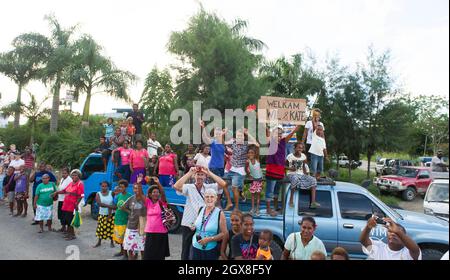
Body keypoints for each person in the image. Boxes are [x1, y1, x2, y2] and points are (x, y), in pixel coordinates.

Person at [173, 166, 227, 260]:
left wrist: (209, 173)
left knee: (200, 251)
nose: (199, 177)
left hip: (204, 226)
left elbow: (223, 184)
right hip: (189, 223)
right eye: (198, 174)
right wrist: (189, 173)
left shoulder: (209, 187)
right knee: (186, 251)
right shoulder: (189, 187)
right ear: (194, 176)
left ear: (205, 177)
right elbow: (176, 186)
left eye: (202, 175)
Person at [265, 125, 300, 216]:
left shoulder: (283, 142)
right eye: (277, 134)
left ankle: (276, 207)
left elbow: (293, 132)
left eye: (280, 134)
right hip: (271, 172)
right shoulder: (270, 141)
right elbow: (266, 131)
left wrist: (298, 124)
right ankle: (268, 209)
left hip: (280, 173)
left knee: (277, 191)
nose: (279, 136)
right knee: (270, 191)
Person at [200, 120, 233, 210]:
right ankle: (218, 203)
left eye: (219, 132)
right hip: (213, 167)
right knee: (218, 185)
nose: (218, 133)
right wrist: (203, 127)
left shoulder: (222, 143)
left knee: (219, 186)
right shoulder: (213, 142)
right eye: (216, 132)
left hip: (221, 167)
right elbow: (205, 139)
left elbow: (228, 152)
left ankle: (217, 203)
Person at [224, 129, 260, 211]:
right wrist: (224, 133)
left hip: (240, 170)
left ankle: (236, 207)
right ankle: (229, 202)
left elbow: (257, 144)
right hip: (232, 168)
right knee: (223, 184)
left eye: (241, 136)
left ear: (244, 137)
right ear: (235, 137)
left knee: (234, 188)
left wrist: (247, 133)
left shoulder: (246, 144)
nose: (239, 137)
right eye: (238, 136)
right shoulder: (233, 143)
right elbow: (223, 143)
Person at [191, 188, 227, 260]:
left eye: (212, 197)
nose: (209, 199)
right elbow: (197, 223)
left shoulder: (220, 213)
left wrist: (209, 239)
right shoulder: (201, 209)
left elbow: (224, 233)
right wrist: (193, 226)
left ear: (216, 198)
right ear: (204, 198)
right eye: (207, 197)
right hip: (195, 246)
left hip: (210, 249)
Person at [52, 169, 84, 241]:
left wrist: (77, 203)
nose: (74, 176)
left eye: (75, 175)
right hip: (66, 204)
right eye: (73, 175)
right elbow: (64, 191)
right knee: (67, 219)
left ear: (79, 176)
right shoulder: (71, 183)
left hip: (72, 205)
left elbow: (81, 195)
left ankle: (72, 235)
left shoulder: (80, 184)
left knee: (70, 221)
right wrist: (56, 192)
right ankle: (69, 233)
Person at [143, 177, 170, 260]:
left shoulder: (162, 202)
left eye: (157, 192)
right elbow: (140, 195)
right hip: (150, 232)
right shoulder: (148, 202)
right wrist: (139, 183)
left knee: (159, 255)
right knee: (148, 255)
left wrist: (158, 183)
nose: (156, 193)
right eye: (154, 192)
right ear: (150, 194)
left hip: (161, 232)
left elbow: (163, 193)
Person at [287, 142, 319, 208]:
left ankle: (313, 202)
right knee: (295, 179)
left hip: (301, 174)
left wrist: (307, 175)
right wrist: (290, 168)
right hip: (292, 174)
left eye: (301, 148)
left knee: (313, 180)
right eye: (298, 148)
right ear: (295, 148)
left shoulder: (304, 156)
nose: (300, 149)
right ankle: (291, 200)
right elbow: (284, 166)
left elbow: (304, 166)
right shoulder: (290, 156)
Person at [121, 181, 147, 260]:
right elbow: (123, 207)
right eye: (135, 188)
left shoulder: (144, 199)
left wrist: (139, 183)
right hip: (131, 226)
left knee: (142, 248)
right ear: (133, 189)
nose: (136, 190)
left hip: (141, 227)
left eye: (138, 188)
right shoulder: (131, 198)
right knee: (130, 248)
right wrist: (130, 213)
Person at [112, 180, 133, 258]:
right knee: (120, 237)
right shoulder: (118, 196)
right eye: (120, 187)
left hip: (126, 219)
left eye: (122, 187)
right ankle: (122, 252)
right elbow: (115, 206)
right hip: (118, 218)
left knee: (125, 237)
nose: (121, 188)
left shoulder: (130, 196)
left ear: (126, 187)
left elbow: (132, 209)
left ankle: (126, 255)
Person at [93, 181, 116, 248]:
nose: (104, 187)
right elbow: (100, 204)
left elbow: (115, 202)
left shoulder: (112, 193)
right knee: (101, 228)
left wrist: (111, 207)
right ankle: (99, 242)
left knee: (111, 228)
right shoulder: (98, 194)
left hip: (111, 214)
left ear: (108, 187)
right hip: (102, 214)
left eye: (106, 186)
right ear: (100, 186)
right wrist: (110, 206)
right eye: (103, 186)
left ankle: (112, 242)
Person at [246, 147, 263, 215]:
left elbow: (258, 147)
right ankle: (253, 208)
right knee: (253, 195)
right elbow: (246, 169)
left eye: (252, 153)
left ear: (255, 154)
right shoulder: (247, 161)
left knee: (258, 195)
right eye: (249, 153)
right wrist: (249, 175)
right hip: (253, 180)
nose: (250, 154)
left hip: (259, 180)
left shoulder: (257, 159)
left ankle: (257, 208)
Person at [56, 167, 72, 233]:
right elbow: (60, 188)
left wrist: (56, 193)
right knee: (61, 214)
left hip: (66, 200)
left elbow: (67, 191)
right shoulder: (62, 179)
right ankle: (63, 227)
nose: (63, 174)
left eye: (65, 173)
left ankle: (67, 229)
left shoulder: (70, 180)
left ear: (68, 173)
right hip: (60, 199)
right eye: (62, 173)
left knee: (65, 215)